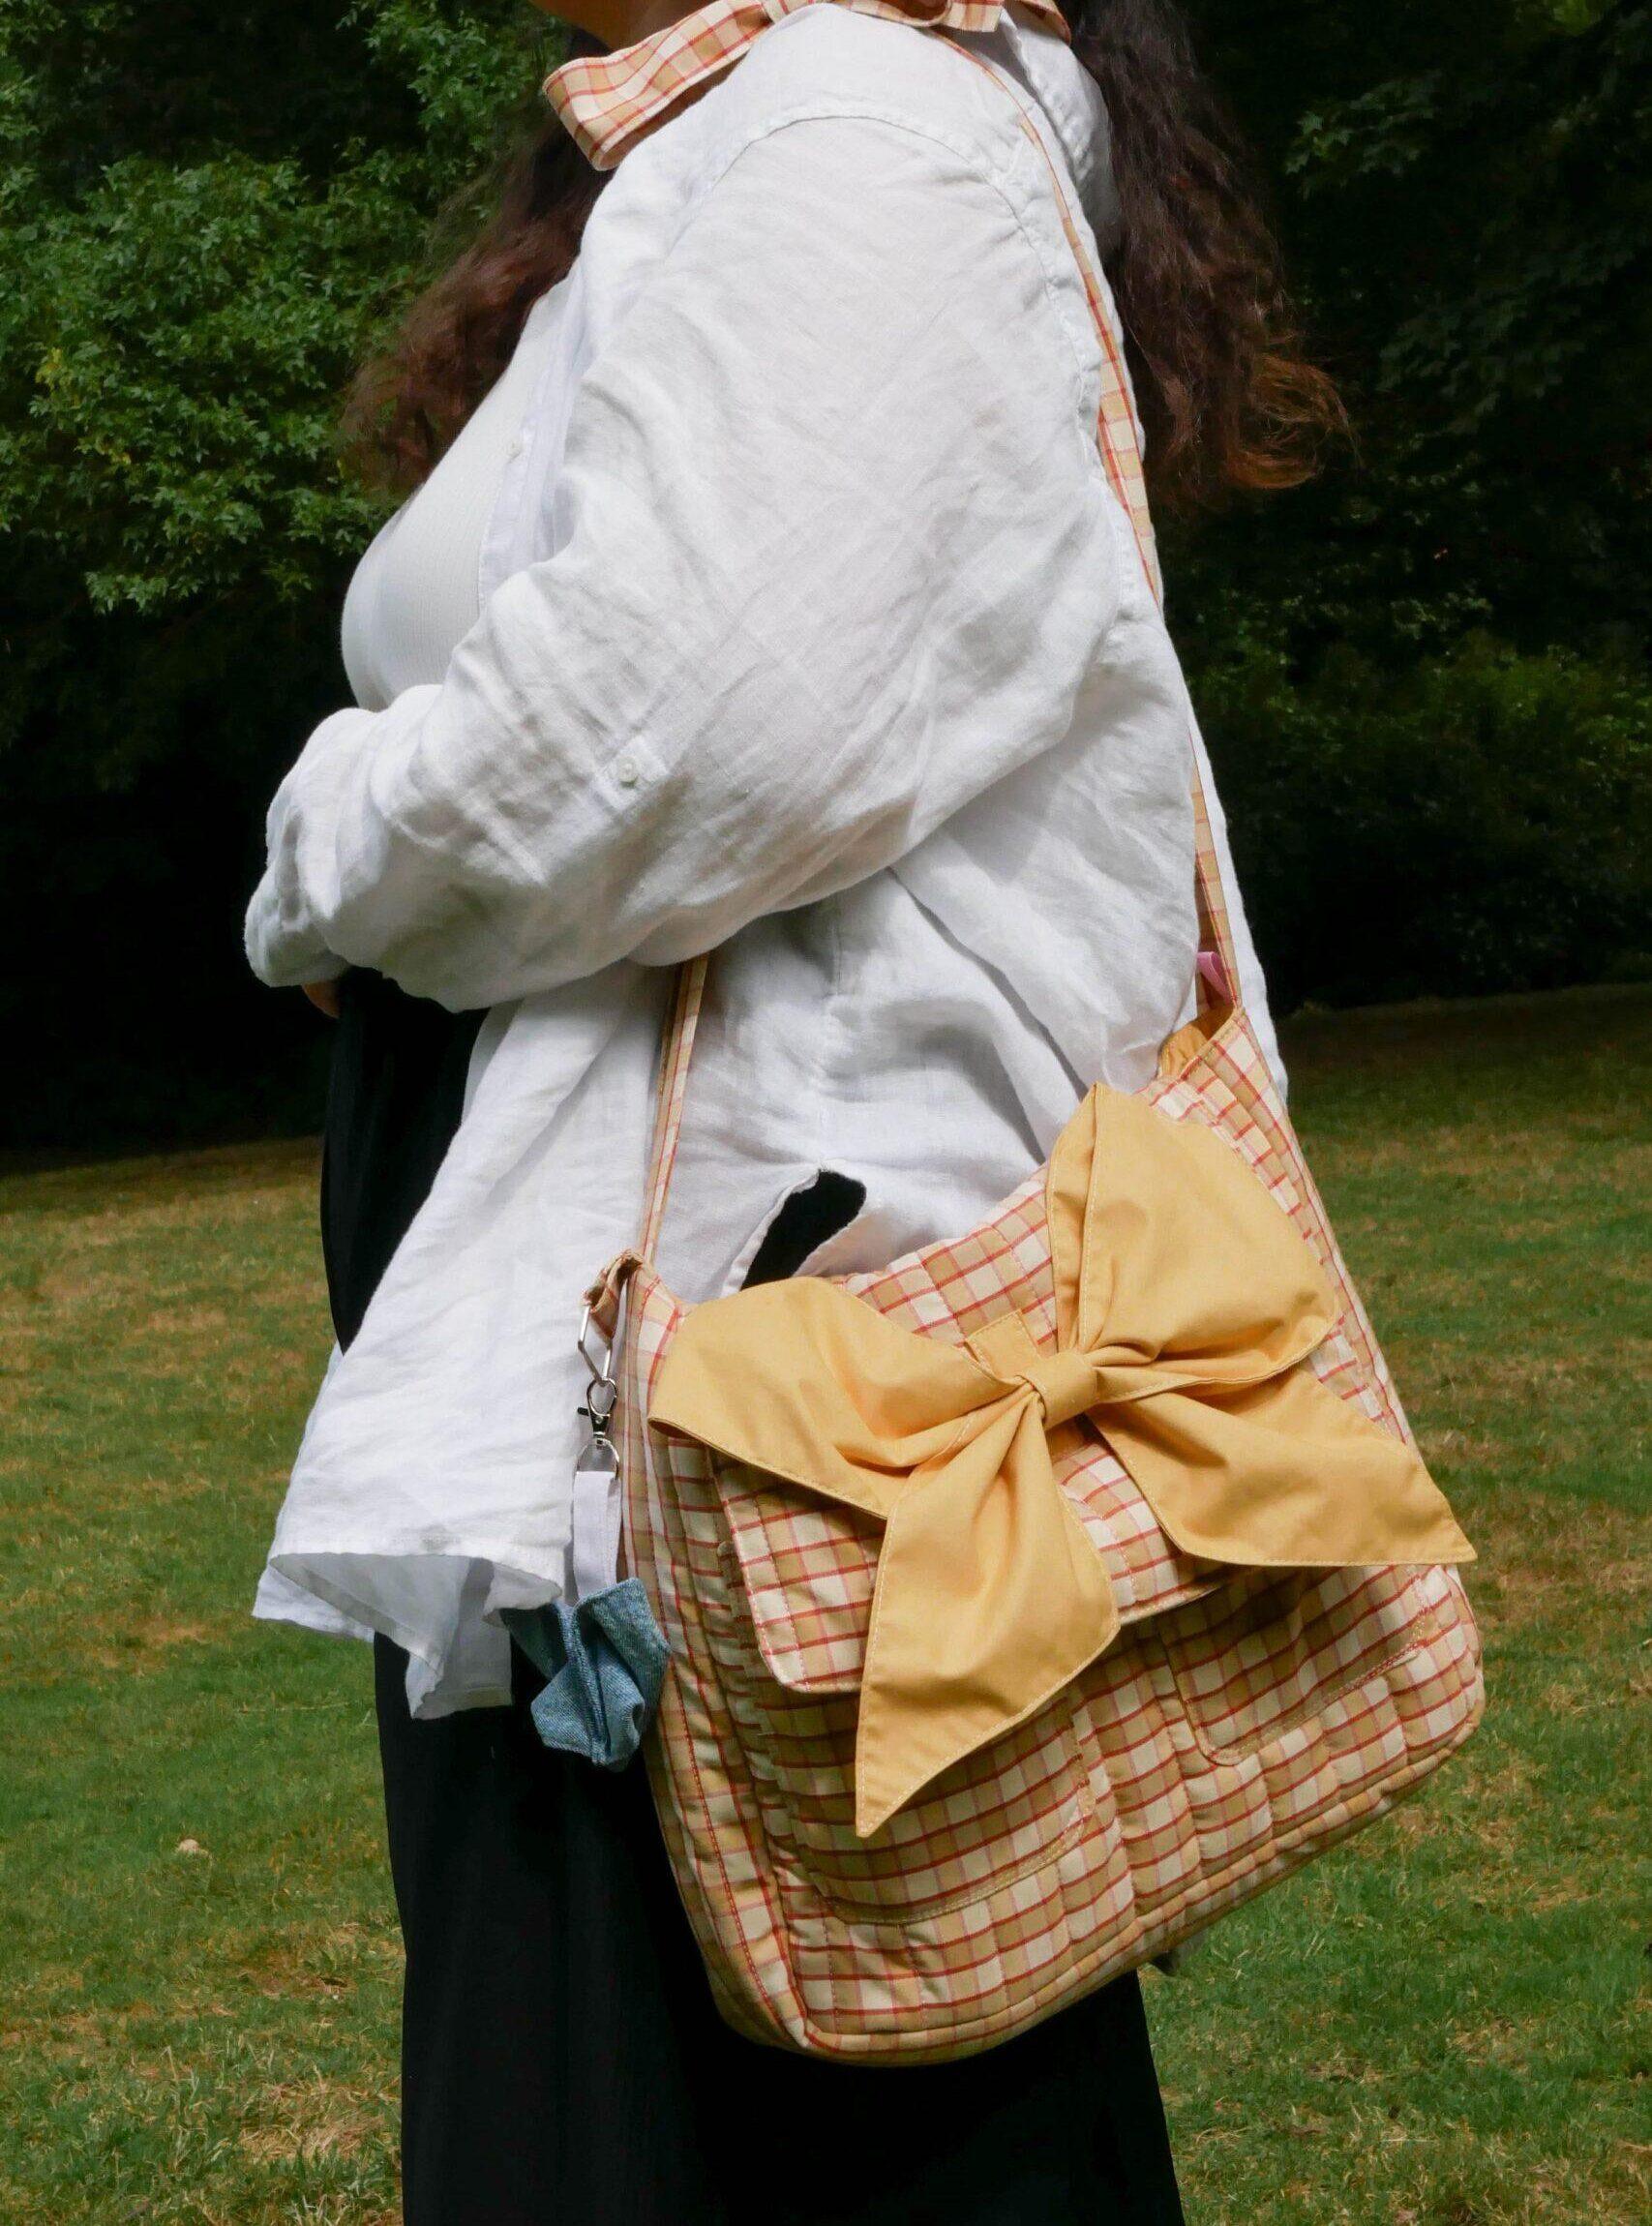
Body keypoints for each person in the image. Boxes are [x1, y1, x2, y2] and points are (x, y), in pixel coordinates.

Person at [244, 0, 1341, 2218]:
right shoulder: (731, 140)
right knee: (758, 2070)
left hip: (737, 1357)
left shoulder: (862, 131)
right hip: (646, 1322)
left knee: (749, 2100)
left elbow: (690, 735)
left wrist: (324, 852)